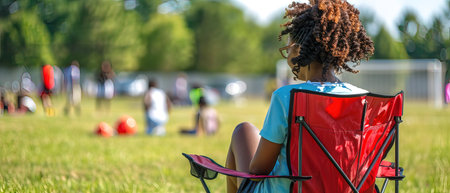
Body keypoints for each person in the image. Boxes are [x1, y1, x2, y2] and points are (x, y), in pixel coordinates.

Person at [224, 1, 375, 192]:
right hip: (345, 189)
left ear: (297, 50)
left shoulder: (287, 96)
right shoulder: (362, 99)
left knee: (243, 131)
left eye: (287, 50)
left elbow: (258, 168)